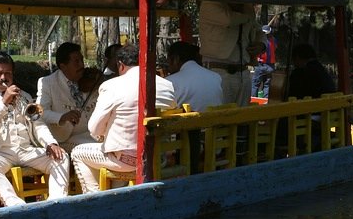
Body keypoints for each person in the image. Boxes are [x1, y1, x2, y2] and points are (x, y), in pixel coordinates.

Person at [70, 44, 177, 193]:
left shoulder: (112, 86)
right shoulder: (167, 85)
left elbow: (94, 128)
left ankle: (95, 199)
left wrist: (104, 133)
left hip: (129, 161)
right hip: (160, 157)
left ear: (120, 65)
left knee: (77, 152)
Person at [0, 51, 69, 206]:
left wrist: (51, 143)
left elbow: (38, 124)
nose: (3, 78)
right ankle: (16, 206)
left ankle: (56, 204)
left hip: (25, 149)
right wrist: (4, 102)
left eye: (8, 73)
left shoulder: (25, 96)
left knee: (61, 157)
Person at [165, 41, 224, 174]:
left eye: (169, 61)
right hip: (215, 143)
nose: (168, 66)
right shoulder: (216, 77)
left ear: (176, 59)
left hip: (185, 148)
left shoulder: (171, 81)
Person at [197, 1, 266, 106]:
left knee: (242, 118)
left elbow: (258, 29)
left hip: (243, 72)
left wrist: (262, 44)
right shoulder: (209, 3)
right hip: (217, 73)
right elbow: (228, 20)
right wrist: (248, 17)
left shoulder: (247, 7)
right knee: (220, 117)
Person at [36, 42, 98, 151]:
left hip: (92, 133)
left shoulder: (89, 79)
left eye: (81, 60)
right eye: (76, 62)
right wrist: (62, 117)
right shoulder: (47, 83)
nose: (82, 65)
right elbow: (41, 112)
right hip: (67, 138)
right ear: (63, 66)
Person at [251, 25, 277, 98]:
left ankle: (253, 99)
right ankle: (266, 101)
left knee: (255, 85)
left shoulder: (260, 41)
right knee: (267, 85)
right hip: (270, 66)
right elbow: (275, 48)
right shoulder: (273, 40)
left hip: (261, 65)